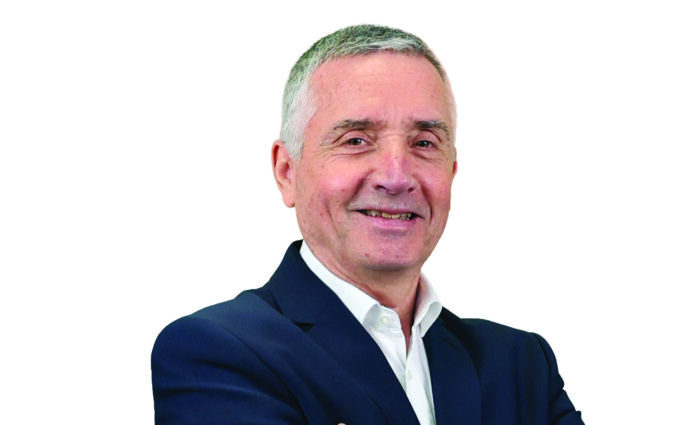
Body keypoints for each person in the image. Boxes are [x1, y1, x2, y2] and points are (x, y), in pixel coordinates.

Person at [151, 25, 584, 425]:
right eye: (356, 140)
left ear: (451, 172)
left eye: (424, 143)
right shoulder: (215, 352)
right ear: (287, 172)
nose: (396, 176)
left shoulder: (523, 365)